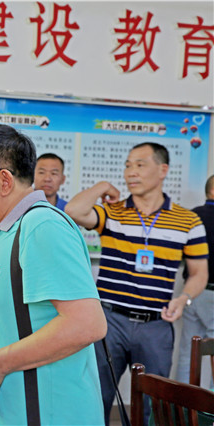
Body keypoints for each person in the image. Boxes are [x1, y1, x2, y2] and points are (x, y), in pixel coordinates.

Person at [0, 124, 107, 425]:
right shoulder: (8, 229)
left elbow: (87, 324)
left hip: (42, 412)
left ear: (4, 180)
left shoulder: (42, 227)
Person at [65, 142, 209, 424]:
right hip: (109, 321)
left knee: (154, 404)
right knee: (96, 396)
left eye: (140, 165)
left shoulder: (188, 221)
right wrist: (102, 186)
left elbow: (199, 273)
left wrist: (184, 298)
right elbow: (73, 210)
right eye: (128, 165)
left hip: (156, 325)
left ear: (163, 170)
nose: (131, 172)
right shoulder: (113, 212)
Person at [176, 174, 214, 388]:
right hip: (212, 294)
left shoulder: (192, 217)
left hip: (191, 291)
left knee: (189, 350)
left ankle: (184, 402)